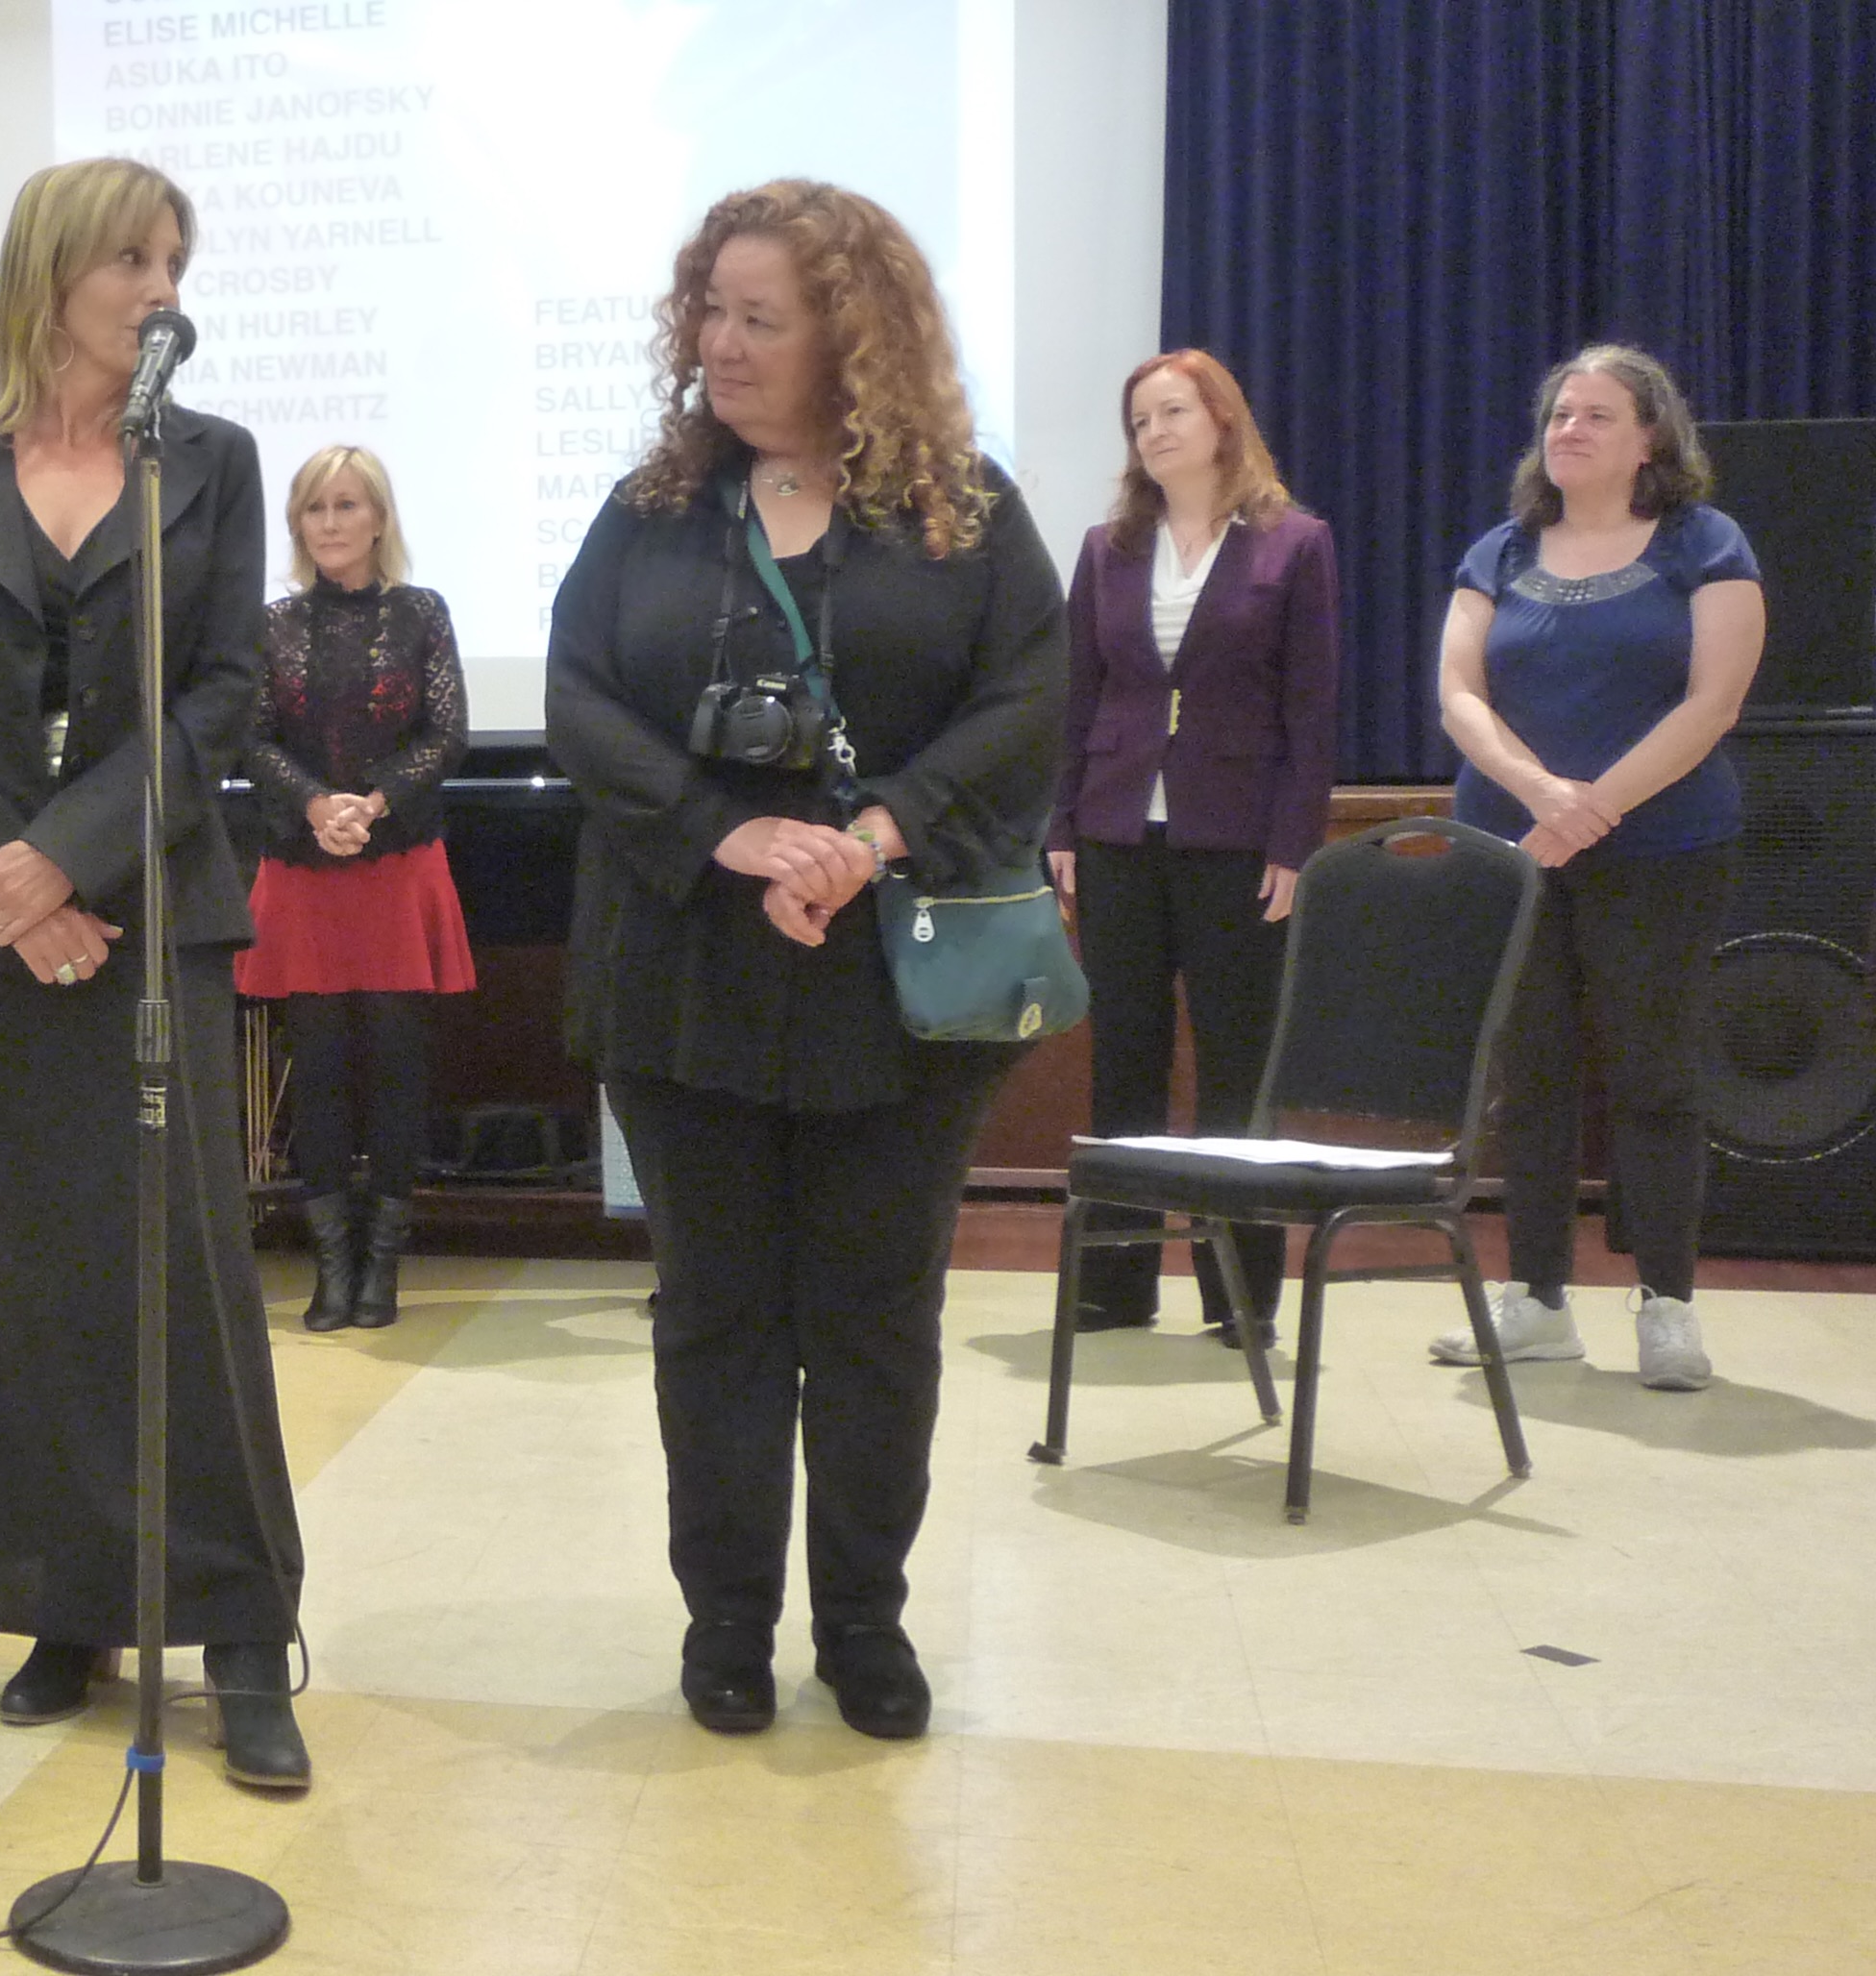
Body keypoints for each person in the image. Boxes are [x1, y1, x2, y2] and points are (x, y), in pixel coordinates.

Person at [547, 179, 1065, 1741]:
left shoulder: (961, 509)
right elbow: (578, 699)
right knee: (709, 1314)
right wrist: (723, 830)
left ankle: (860, 1621)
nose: (719, 342)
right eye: (708, 309)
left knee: (868, 1313)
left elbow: (1025, 700)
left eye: (758, 317)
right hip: (682, 971)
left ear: (855, 332)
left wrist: (874, 831)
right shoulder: (648, 512)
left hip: (892, 984)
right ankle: (723, 1623)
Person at [0, 158, 309, 1788]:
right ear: (52, 269)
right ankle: (70, 1599)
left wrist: (72, 857)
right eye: (131, 254)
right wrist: (7, 880)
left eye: (176, 254)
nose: (160, 283)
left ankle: (242, 1624)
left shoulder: (210, 459)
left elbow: (219, 697)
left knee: (178, 1271)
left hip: (145, 920)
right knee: (12, 1276)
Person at [1432, 344, 1762, 1392]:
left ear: (1650, 437)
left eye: (1596, 415)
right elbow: (1459, 693)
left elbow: (1712, 703)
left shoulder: (1704, 545)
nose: (1568, 429)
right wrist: (1542, 795)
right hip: (1516, 848)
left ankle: (1666, 1303)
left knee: (1653, 1078)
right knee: (1528, 1080)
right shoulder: (1500, 551)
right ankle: (1535, 1299)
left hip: (1662, 852)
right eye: (1559, 414)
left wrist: (1596, 805)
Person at [1048, 351, 1339, 1344]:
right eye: (1139, 421)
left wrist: (1296, 843)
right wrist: (1061, 826)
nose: (1155, 431)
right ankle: (1115, 1285)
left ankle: (1240, 1297)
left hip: (1238, 837)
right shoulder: (1106, 548)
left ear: (1222, 419)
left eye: (1173, 411)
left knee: (1235, 1070)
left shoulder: (1293, 544)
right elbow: (1076, 698)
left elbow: (1312, 710)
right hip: (1119, 830)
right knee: (1122, 1059)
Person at [238, 444, 476, 1333]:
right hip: (304, 865)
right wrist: (315, 806)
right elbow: (250, 738)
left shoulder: (421, 612)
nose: (330, 524)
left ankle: (383, 1268)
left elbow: (448, 733)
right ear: (299, 525)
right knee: (323, 1067)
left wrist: (370, 805)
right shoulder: (270, 622)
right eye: (314, 509)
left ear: (378, 517)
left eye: (346, 506)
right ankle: (331, 1269)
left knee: (397, 1066)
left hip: (395, 860)